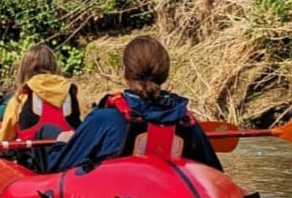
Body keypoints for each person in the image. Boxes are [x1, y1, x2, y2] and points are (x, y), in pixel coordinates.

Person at [44, 35, 223, 174]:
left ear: (126, 73)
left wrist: (61, 144)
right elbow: (215, 173)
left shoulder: (105, 119)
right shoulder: (186, 122)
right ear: (165, 74)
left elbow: (57, 167)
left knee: (47, 133)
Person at [0, 43, 81, 171]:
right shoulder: (74, 94)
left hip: (34, 165)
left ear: (25, 69)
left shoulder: (21, 98)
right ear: (54, 66)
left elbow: (4, 138)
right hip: (69, 160)